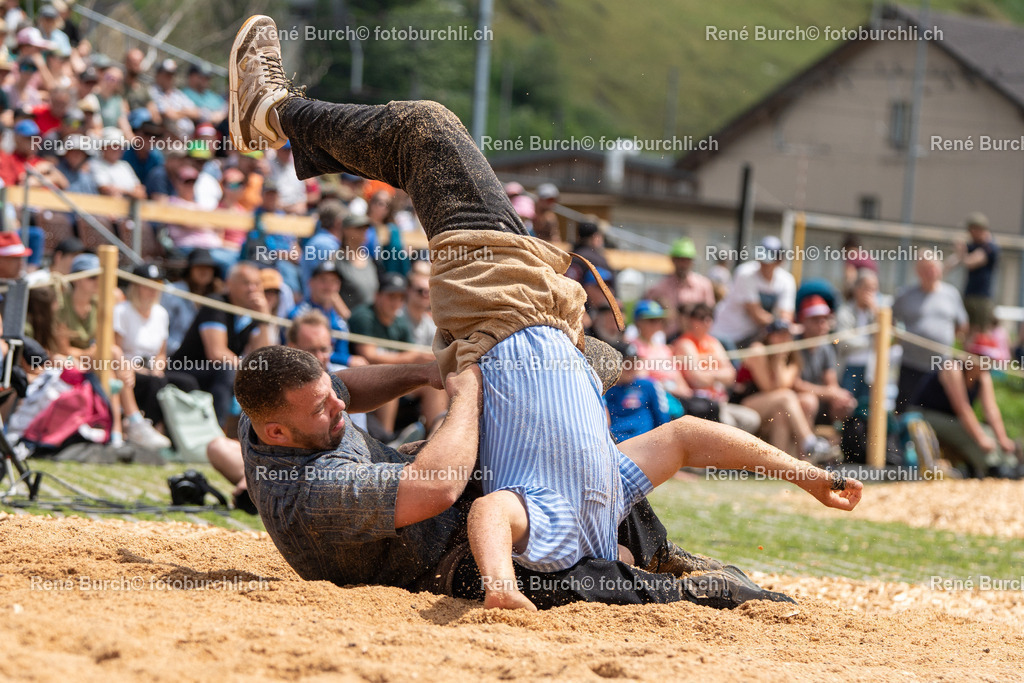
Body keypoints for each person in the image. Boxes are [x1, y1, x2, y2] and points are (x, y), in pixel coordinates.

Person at [228, 15, 862, 610]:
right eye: (322, 407)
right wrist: (467, 388)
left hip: (499, 324)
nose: (336, 402)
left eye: (325, 395)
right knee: (431, 139)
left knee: (428, 134)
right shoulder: (313, 494)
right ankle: (273, 116)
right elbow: (442, 489)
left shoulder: (288, 426)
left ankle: (278, 115)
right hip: (512, 347)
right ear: (282, 432)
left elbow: (352, 401)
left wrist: (431, 371)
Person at [169, 261, 275, 425]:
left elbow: (261, 356)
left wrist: (264, 320)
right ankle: (219, 429)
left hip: (215, 373)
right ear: (229, 284)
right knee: (228, 370)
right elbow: (217, 353)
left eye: (256, 284)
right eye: (246, 283)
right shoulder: (216, 304)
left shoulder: (252, 312)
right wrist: (250, 369)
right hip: (184, 368)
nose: (253, 289)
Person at [908, 333, 1021, 478]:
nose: (988, 363)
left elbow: (991, 410)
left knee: (988, 432)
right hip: (923, 415)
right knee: (970, 434)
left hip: (950, 419)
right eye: (984, 358)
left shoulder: (983, 376)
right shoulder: (952, 369)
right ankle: (991, 467)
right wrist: (981, 439)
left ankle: (1010, 465)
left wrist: (1003, 439)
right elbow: (963, 409)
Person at [349, 272, 444, 437]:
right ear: (377, 295)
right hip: (362, 378)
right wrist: (412, 358)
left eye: (400, 297)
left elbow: (410, 352)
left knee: (434, 384)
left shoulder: (398, 321)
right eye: (391, 296)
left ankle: (435, 438)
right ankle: (387, 441)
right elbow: (369, 354)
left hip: (388, 376)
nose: (396, 302)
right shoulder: (364, 316)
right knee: (389, 380)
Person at [113, 263, 200, 434]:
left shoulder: (161, 313)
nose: (152, 289)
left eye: (157, 284)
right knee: (156, 383)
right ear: (136, 285)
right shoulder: (121, 311)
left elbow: (161, 354)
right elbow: (117, 351)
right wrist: (143, 370)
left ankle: (184, 434)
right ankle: (152, 429)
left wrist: (157, 368)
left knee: (188, 382)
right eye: (147, 284)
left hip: (152, 371)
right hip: (128, 370)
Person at [732, 319, 834, 460]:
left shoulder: (793, 358)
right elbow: (768, 387)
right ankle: (809, 442)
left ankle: (789, 463)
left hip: (773, 403)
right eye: (779, 334)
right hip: (746, 402)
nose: (784, 338)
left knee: (802, 403)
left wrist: (779, 359)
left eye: (787, 335)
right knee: (786, 397)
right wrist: (778, 360)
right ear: (769, 336)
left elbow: (782, 385)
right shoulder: (758, 350)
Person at [893, 256, 968, 413]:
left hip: (940, 367)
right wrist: (898, 339)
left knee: (936, 411)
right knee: (906, 409)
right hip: (911, 365)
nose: (931, 272)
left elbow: (962, 324)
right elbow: (889, 319)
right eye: (926, 268)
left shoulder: (951, 294)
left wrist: (948, 341)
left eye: (934, 268)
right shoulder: (905, 294)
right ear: (918, 271)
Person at [673, 303, 761, 434]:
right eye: (702, 317)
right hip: (701, 405)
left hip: (720, 402)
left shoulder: (713, 342)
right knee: (729, 427)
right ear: (692, 320)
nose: (707, 321)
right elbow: (696, 379)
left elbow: (731, 375)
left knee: (752, 419)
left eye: (710, 317)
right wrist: (717, 373)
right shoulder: (685, 343)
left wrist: (706, 372)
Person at [711, 236, 795, 348]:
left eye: (768, 260)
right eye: (761, 259)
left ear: (779, 261)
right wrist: (779, 324)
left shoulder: (787, 280)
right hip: (726, 335)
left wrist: (782, 324)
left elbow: (786, 315)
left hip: (751, 337)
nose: (763, 264)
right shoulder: (745, 273)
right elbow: (756, 314)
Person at [793, 295, 856, 424]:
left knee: (844, 404)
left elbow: (831, 383)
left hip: (817, 400)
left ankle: (834, 440)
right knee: (808, 401)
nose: (823, 324)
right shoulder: (794, 345)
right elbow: (795, 385)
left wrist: (839, 397)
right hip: (796, 401)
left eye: (825, 319)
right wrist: (831, 393)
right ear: (803, 320)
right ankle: (808, 442)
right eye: (816, 319)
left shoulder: (826, 348)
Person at [289, 260, 358, 367]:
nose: (328, 286)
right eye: (323, 280)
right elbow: (293, 351)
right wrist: (346, 360)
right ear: (310, 282)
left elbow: (343, 350)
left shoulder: (339, 319)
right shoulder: (299, 314)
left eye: (334, 281)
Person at [644, 237, 715, 337]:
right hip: (670, 338)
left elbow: (710, 314)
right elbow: (647, 317)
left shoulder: (703, 286)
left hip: (697, 337)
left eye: (687, 260)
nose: (683, 264)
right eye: (680, 260)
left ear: (692, 261)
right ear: (673, 260)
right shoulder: (659, 289)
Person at [605, 341, 671, 442]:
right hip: (615, 444)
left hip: (645, 444)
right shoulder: (605, 389)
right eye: (626, 363)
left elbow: (663, 420)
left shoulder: (648, 385)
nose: (631, 368)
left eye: (634, 363)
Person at [947, 212, 999, 333]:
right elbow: (954, 262)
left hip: (982, 297)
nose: (970, 233)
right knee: (966, 331)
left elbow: (971, 262)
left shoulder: (990, 246)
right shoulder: (972, 246)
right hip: (969, 294)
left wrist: (962, 252)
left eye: (972, 230)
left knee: (981, 333)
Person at [835, 270, 879, 404]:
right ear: (857, 289)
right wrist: (871, 343)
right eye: (867, 288)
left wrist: (876, 312)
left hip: (870, 369)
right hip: (849, 367)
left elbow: (887, 338)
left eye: (873, 289)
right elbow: (844, 341)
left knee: (866, 407)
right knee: (847, 405)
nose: (870, 293)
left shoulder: (876, 313)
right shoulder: (844, 312)